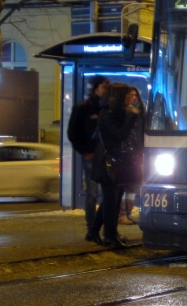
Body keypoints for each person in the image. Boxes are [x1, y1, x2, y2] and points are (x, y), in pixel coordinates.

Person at [91, 83, 141, 248]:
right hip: (109, 162)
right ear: (120, 95)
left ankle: (93, 232)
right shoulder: (110, 112)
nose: (131, 98)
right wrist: (131, 118)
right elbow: (118, 136)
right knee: (111, 200)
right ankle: (109, 236)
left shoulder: (117, 111)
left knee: (112, 198)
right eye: (128, 95)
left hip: (117, 162)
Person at [67, 75, 109, 245]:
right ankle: (92, 227)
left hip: (105, 154)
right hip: (92, 154)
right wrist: (84, 151)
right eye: (104, 86)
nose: (106, 90)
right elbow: (73, 132)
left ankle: (102, 227)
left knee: (107, 193)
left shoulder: (106, 107)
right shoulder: (84, 107)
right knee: (92, 193)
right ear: (96, 88)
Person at [119, 87, 144, 225]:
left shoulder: (141, 113)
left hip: (137, 153)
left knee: (134, 185)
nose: (134, 98)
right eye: (131, 95)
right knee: (125, 184)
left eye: (136, 95)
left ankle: (127, 213)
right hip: (126, 154)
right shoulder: (123, 113)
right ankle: (121, 214)